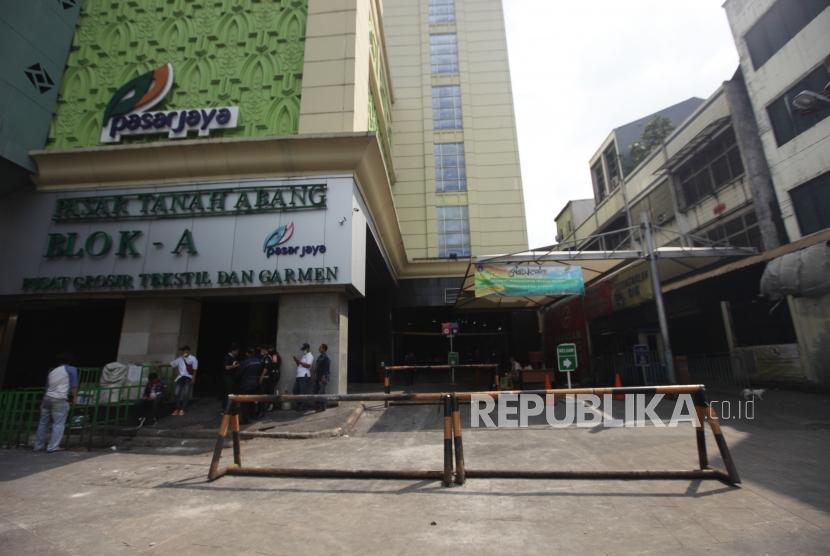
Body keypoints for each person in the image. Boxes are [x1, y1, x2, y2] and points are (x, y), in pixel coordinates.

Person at [34, 354, 78, 452]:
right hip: (59, 399)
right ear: (70, 361)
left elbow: (46, 387)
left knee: (43, 423)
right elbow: (74, 385)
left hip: (47, 398)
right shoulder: (71, 369)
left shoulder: (52, 371)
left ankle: (38, 446)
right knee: (58, 423)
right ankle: (53, 447)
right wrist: (75, 398)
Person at [237, 348, 264, 423]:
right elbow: (261, 371)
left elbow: (239, 374)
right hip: (255, 384)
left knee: (244, 402)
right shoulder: (259, 361)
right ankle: (253, 415)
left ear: (247, 354)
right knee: (252, 400)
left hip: (246, 384)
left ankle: (245, 419)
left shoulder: (245, 362)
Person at [170, 345, 198, 416]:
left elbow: (195, 369)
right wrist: (160, 365)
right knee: (176, 393)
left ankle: (182, 409)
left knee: (186, 394)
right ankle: (177, 409)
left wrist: (194, 378)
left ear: (188, 351)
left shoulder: (193, 359)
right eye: (182, 351)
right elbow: (172, 364)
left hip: (188, 377)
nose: (183, 352)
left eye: (184, 350)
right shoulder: (180, 358)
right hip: (181, 377)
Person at [292, 343, 313, 411]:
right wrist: (296, 361)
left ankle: (302, 406)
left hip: (304, 376)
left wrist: (299, 362)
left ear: (307, 348)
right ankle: (299, 405)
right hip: (299, 376)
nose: (303, 350)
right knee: (295, 391)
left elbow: (308, 366)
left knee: (302, 392)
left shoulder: (310, 356)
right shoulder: (304, 356)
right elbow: (300, 365)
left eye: (304, 349)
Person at [260, 346, 281, 411]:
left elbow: (273, 365)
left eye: (270, 349)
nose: (269, 350)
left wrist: (268, 374)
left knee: (271, 390)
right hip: (272, 375)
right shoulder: (272, 356)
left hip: (273, 375)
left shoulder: (274, 356)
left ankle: (271, 405)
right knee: (270, 390)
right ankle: (269, 405)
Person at [221, 343, 241, 412]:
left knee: (232, 392)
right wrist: (236, 366)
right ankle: (225, 409)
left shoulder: (234, 358)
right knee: (228, 393)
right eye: (237, 351)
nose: (238, 352)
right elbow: (226, 367)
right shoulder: (227, 357)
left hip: (233, 378)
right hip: (227, 377)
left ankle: (231, 408)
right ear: (233, 351)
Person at [313, 344, 331, 412]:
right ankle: (317, 407)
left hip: (323, 378)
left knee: (321, 392)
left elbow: (326, 368)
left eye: (320, 347)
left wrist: (324, 377)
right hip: (317, 377)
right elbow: (317, 367)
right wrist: (314, 375)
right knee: (316, 392)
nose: (319, 348)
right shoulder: (319, 357)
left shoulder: (326, 358)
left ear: (324, 349)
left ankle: (322, 407)